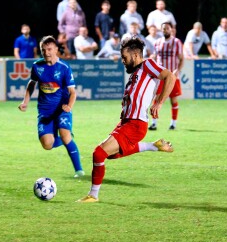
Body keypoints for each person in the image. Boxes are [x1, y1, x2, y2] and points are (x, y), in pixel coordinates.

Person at [76, 38, 176, 203]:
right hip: (126, 122)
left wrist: (159, 103)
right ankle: (153, 145)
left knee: (98, 153)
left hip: (135, 123)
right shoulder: (135, 74)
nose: (123, 61)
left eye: (125, 57)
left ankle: (93, 195)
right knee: (110, 155)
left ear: (136, 55)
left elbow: (170, 77)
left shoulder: (147, 65)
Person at [18, 36, 84, 177]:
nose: (46, 52)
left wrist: (69, 106)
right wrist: (25, 102)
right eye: (43, 50)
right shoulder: (37, 66)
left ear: (55, 49)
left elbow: (73, 92)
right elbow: (31, 83)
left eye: (49, 49)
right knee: (47, 144)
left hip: (62, 109)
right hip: (45, 111)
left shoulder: (64, 68)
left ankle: (79, 170)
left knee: (65, 136)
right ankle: (66, 138)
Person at [151, 22, 184, 130]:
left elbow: (181, 58)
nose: (165, 30)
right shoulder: (157, 42)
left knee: (173, 99)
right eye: (163, 29)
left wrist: (177, 70)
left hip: (172, 76)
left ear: (171, 29)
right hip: (159, 76)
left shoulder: (176, 42)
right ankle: (154, 122)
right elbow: (155, 57)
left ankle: (173, 123)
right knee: (156, 99)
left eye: (167, 28)